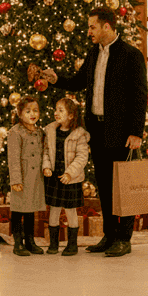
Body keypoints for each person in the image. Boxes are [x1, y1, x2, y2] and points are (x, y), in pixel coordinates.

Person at [43, 6, 147, 258]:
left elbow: (139, 95)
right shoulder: (93, 53)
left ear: (106, 26)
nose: (88, 31)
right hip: (97, 130)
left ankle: (124, 238)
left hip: (122, 132)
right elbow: (78, 82)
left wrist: (136, 132)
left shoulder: (131, 55)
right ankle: (110, 235)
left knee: (123, 185)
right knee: (104, 184)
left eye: (92, 27)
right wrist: (56, 79)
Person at [42, 96, 89, 257]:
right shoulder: (51, 131)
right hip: (54, 178)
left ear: (71, 115)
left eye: (60, 110)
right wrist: (46, 167)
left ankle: (72, 245)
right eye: (56, 109)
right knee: (53, 210)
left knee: (70, 211)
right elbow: (46, 151)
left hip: (71, 179)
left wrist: (70, 173)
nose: (56, 113)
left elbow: (82, 157)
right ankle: (53, 244)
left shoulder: (79, 135)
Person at [7, 96, 46, 257]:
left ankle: (30, 241)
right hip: (22, 176)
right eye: (28, 111)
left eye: (35, 111)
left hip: (35, 176)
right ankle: (18, 242)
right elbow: (13, 158)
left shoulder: (39, 132)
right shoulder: (15, 132)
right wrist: (16, 179)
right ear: (20, 113)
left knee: (30, 208)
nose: (32, 114)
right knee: (18, 209)